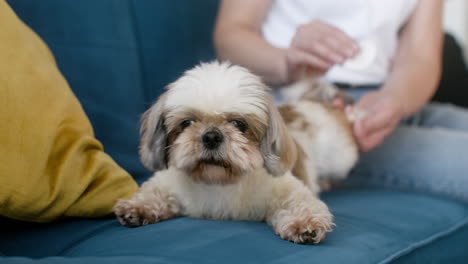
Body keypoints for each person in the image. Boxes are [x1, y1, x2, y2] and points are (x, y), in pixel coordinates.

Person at [214, 0, 468, 202]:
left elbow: (420, 57)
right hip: (304, 107)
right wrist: (288, 61)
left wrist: (395, 101)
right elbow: (231, 33)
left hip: (384, 97)